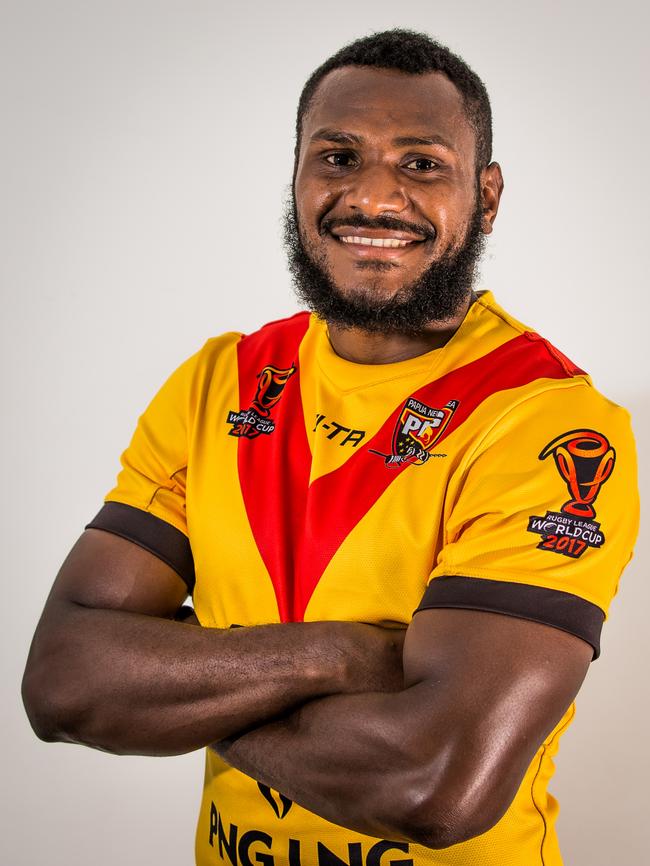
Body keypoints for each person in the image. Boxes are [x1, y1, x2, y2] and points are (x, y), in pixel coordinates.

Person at [22, 29, 639, 866]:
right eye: (338, 156)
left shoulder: (547, 423)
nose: (373, 197)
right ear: (298, 177)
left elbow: (433, 782)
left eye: (421, 163)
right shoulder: (220, 380)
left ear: (487, 198)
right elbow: (62, 683)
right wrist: (339, 654)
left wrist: (175, 688)